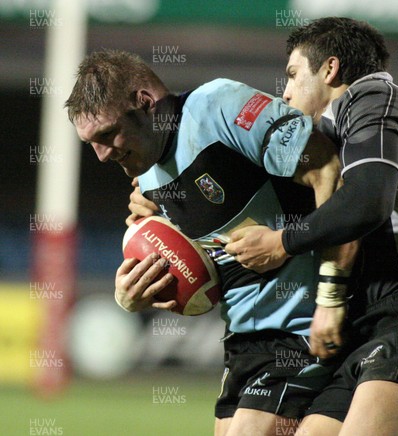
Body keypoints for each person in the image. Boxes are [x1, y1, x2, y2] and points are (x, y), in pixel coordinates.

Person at [65, 49, 357, 436]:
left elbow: (327, 169)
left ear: (146, 102)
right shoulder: (148, 182)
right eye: (91, 143)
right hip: (243, 341)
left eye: (107, 134)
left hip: (304, 328)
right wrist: (136, 295)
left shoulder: (218, 106)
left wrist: (329, 298)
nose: (101, 155)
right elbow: (211, 276)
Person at [224, 17, 398, 436]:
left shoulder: (374, 98)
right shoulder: (331, 131)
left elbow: (367, 201)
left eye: (292, 74)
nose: (285, 91)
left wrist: (283, 242)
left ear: (329, 69)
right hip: (370, 321)